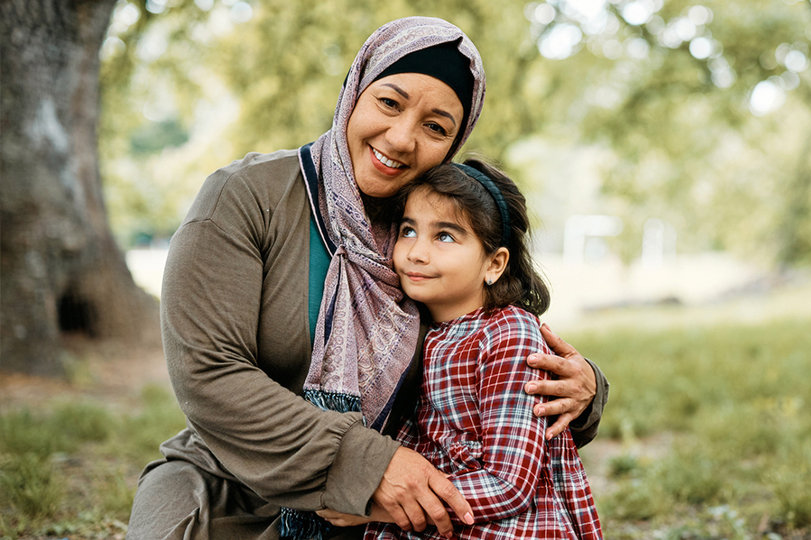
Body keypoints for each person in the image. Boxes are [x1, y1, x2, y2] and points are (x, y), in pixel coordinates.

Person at [127, 16, 609, 540]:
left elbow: (501, 355)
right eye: (389, 103)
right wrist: (369, 464)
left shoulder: (429, 234)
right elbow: (211, 376)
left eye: (435, 126)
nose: (401, 139)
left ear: (453, 142)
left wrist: (586, 391)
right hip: (234, 477)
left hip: (387, 511)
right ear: (355, 91)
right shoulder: (246, 198)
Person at [352, 159, 603, 538]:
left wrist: (375, 505)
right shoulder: (415, 329)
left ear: (494, 263)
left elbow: (510, 484)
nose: (416, 252)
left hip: (505, 527)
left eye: (445, 236)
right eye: (408, 230)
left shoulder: (508, 335)